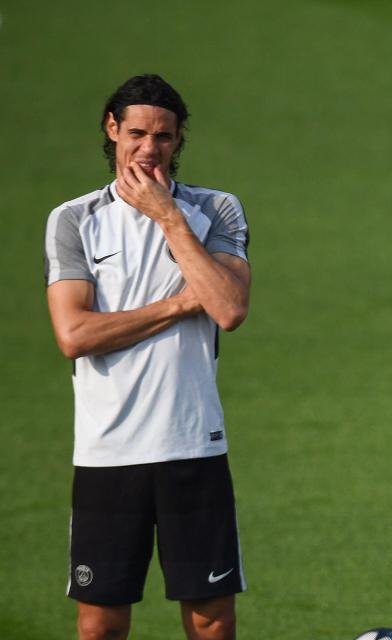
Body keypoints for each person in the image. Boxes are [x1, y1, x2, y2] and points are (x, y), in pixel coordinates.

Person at [44, 74, 251, 640]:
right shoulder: (73, 220)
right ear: (111, 130)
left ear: (178, 139)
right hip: (108, 449)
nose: (149, 148)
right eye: (136, 133)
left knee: (212, 622)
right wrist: (184, 302)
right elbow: (74, 334)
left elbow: (229, 307)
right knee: (100, 626)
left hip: (193, 443)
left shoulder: (217, 210)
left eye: (163, 136)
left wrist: (167, 217)